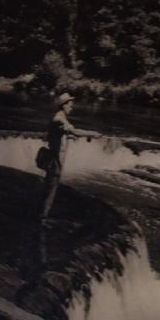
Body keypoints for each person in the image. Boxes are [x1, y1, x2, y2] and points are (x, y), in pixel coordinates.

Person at [38, 92, 99, 222]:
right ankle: (42, 217)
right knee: (51, 186)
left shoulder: (62, 118)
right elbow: (72, 130)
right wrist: (92, 134)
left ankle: (42, 214)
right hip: (54, 159)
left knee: (50, 186)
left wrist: (69, 136)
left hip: (55, 158)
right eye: (70, 105)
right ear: (64, 105)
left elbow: (61, 133)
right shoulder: (59, 118)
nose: (72, 108)